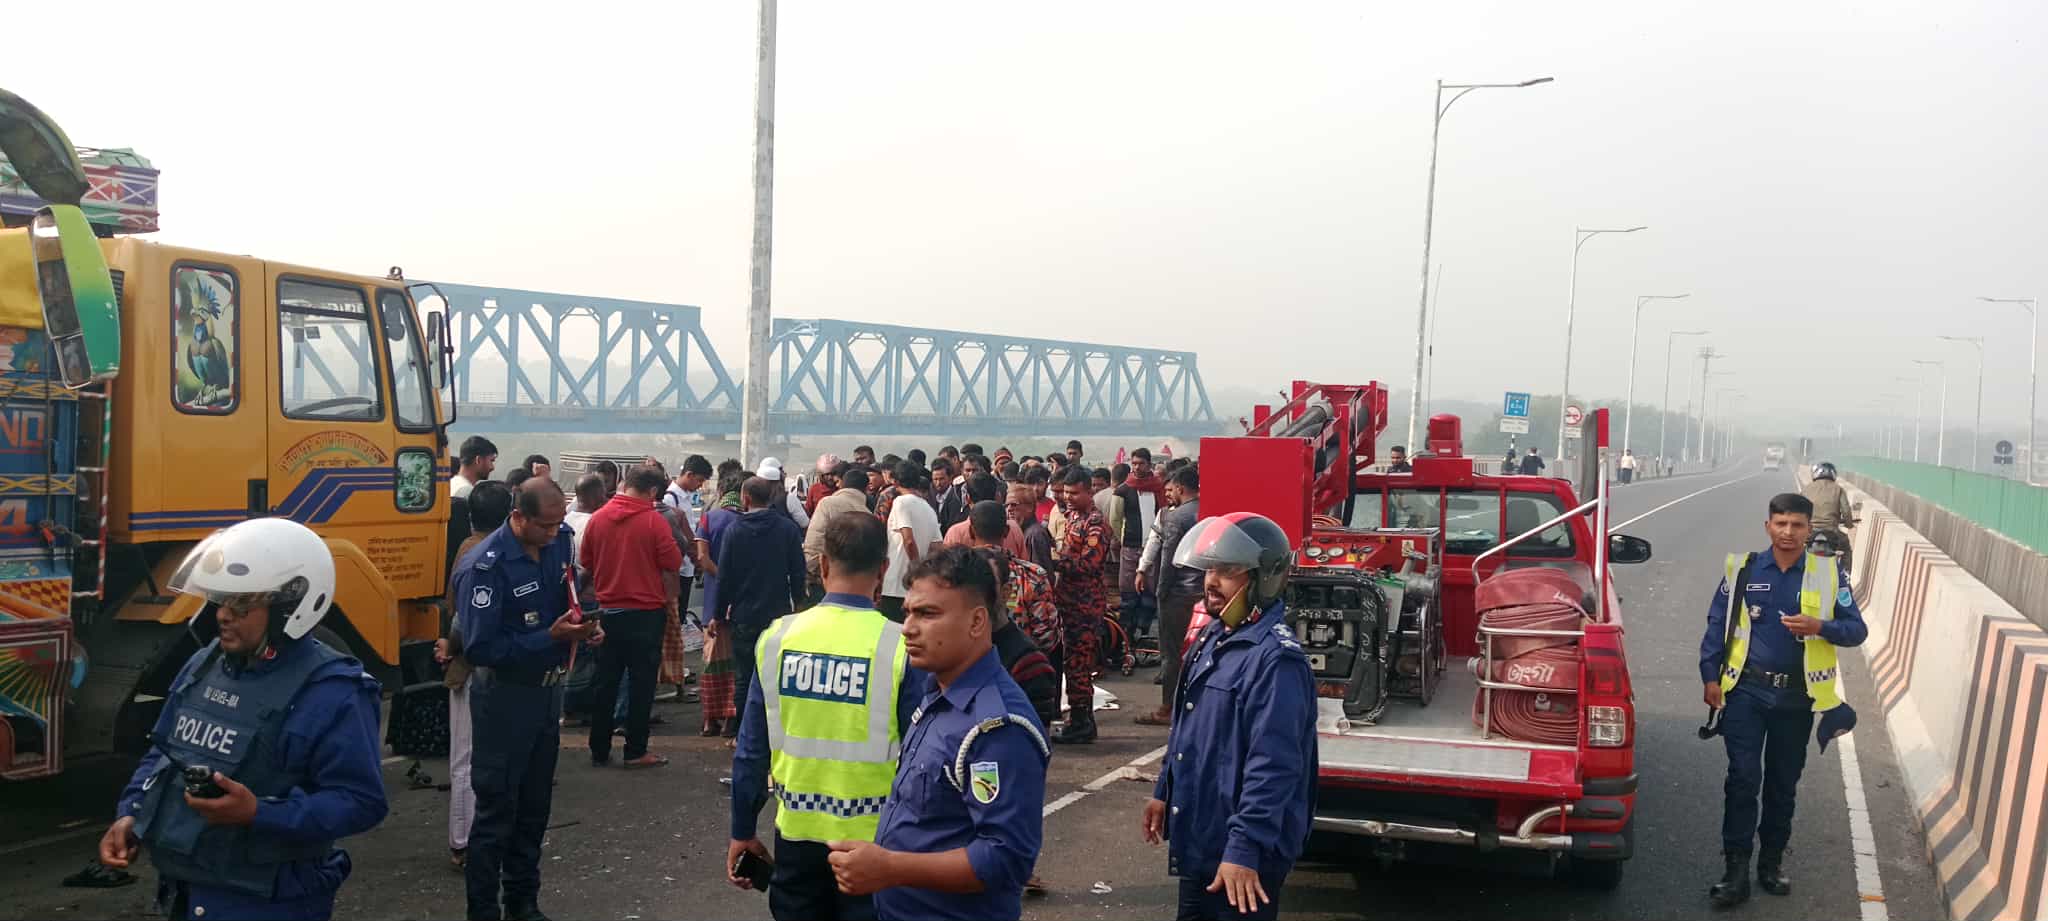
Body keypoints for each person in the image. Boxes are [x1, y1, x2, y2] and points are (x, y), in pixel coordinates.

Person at [99, 518, 387, 921]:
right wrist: (132, 812)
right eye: (221, 601)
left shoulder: (334, 691)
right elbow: (162, 752)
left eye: (242, 606)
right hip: (187, 892)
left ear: (290, 610)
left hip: (268, 901)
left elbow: (361, 802)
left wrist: (258, 813)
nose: (223, 615)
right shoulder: (204, 663)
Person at [826, 546, 1050, 921]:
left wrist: (890, 867)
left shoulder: (996, 727)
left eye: (928, 614)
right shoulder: (937, 693)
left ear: (977, 622)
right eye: (908, 613)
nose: (908, 628)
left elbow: (1006, 858)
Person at [728, 514, 920, 921]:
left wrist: (742, 830)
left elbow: (751, 750)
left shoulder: (777, 638)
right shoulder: (899, 646)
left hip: (797, 833)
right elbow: (922, 758)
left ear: (824, 564)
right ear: (883, 570)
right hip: (876, 841)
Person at [1143, 512, 1317, 921]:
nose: (1211, 582)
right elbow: (1187, 729)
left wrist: (1245, 848)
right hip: (1202, 840)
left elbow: (1274, 766)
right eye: (1210, 570)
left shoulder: (1276, 661)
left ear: (1263, 578)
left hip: (1241, 859)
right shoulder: (1214, 636)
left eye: (1227, 571)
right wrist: (1164, 790)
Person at [1698, 492, 1867, 908]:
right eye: (1781, 524)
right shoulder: (1744, 569)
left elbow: (1856, 630)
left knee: (1782, 784)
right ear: (1768, 526)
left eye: (1796, 525)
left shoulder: (1829, 575)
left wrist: (1821, 626)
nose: (1788, 532)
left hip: (1796, 698)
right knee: (1742, 779)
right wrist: (1710, 677)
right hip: (1746, 693)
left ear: (1809, 529)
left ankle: (1770, 863)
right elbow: (1717, 624)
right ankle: (1735, 871)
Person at [452, 478, 594, 921]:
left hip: (546, 695)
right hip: (504, 699)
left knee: (534, 809)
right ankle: (483, 910)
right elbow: (479, 647)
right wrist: (547, 638)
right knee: (496, 813)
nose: (553, 533)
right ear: (518, 517)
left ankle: (523, 902)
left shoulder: (557, 544)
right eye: (544, 526)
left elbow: (564, 601)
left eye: (557, 524)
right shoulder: (485, 566)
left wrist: (582, 630)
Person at [578, 465, 682, 769]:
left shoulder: (598, 519)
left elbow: (586, 561)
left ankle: (599, 749)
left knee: (605, 683)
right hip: (645, 614)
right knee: (641, 685)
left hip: (606, 613)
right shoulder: (653, 521)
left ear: (625, 484)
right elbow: (673, 561)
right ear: (653, 491)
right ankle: (635, 750)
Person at [441, 481, 515, 872]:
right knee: (478, 758)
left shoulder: (467, 548)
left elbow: (454, 612)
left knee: (467, 758)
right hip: (483, 665)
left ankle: (466, 839)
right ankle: (468, 840)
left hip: (467, 663)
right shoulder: (497, 554)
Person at [705, 476, 808, 740]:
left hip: (744, 614)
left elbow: (724, 577)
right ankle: (774, 733)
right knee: (775, 675)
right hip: (778, 614)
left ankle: (743, 734)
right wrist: (799, 605)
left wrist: (717, 614)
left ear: (746, 498)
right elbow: (798, 572)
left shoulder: (735, 531)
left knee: (744, 677)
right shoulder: (787, 529)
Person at [963, 501, 1061, 726]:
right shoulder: (1032, 575)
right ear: (1007, 532)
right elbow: (1047, 636)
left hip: (967, 682)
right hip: (1024, 680)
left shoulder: (953, 576)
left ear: (971, 531)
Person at [1135, 465, 1202, 725]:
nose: (1169, 494)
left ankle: (1168, 709)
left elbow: (1168, 561)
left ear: (1181, 488)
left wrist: (1161, 592)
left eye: (1171, 489)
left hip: (1178, 595)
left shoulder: (1175, 518)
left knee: (1171, 654)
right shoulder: (1209, 511)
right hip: (1203, 593)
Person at [1051, 467, 1111, 744]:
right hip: (1069, 601)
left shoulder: (1096, 524)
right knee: (1071, 662)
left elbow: (1090, 564)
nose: (1068, 497)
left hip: (1085, 604)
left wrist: (1055, 561)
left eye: (1074, 493)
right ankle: (1078, 718)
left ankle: (1082, 722)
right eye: (1065, 492)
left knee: (1079, 664)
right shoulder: (1073, 516)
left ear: (1089, 491)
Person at [881, 461, 942, 623]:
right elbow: (937, 547)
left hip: (896, 583)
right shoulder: (928, 508)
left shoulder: (901, 502)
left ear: (895, 481)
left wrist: (915, 569)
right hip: (917, 587)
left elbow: (908, 540)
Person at [1115, 450, 1167, 638]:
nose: (1137, 467)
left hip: (1153, 547)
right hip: (1130, 547)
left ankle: (1144, 630)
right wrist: (1120, 540)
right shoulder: (1123, 489)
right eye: (1134, 463)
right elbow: (1115, 519)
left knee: (1150, 590)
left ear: (1149, 464)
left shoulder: (1159, 488)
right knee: (1128, 589)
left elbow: (1164, 515)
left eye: (1141, 463)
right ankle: (1126, 632)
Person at [807, 467, 874, 599]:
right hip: (855, 583)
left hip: (824, 578)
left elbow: (815, 541)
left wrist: (813, 571)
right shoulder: (868, 514)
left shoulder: (827, 503)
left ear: (842, 484)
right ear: (866, 489)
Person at [1800, 462, 1857, 574]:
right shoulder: (1838, 489)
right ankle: (1846, 575)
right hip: (1832, 532)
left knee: (1796, 550)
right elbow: (1846, 510)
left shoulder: (1806, 490)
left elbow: (1797, 510)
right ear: (1833, 474)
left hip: (1809, 533)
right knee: (1846, 548)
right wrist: (1849, 524)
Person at [1006, 481, 1056, 575]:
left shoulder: (1035, 534)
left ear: (1030, 507)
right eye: (1007, 505)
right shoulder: (1019, 531)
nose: (1009, 509)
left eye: (1014, 504)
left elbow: (1042, 574)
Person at [756, 457, 812, 528]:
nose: (785, 474)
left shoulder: (753, 496)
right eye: (782, 471)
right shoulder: (789, 498)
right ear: (778, 474)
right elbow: (805, 523)